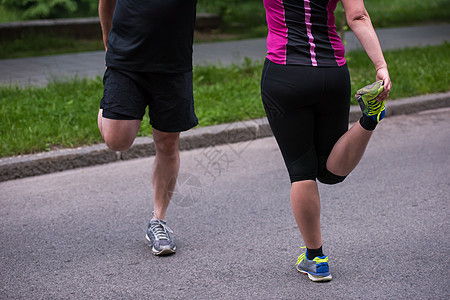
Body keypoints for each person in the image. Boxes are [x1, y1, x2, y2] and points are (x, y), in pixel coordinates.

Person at [261, 0, 392, 281]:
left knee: (302, 171)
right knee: (330, 172)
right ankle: (369, 117)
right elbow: (357, 15)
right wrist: (381, 66)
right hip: (332, 74)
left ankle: (316, 258)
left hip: (285, 73)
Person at [97, 0, 199, 256]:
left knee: (167, 142)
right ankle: (108, 103)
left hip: (173, 65)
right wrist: (108, 41)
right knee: (116, 140)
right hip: (125, 58)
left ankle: (158, 221)